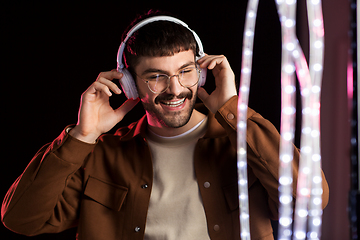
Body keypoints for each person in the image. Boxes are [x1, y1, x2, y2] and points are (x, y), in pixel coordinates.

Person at [1, 11, 329, 240]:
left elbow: (312, 200)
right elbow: (21, 220)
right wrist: (81, 136)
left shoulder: (239, 142)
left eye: (185, 71)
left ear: (201, 73)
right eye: (156, 77)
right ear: (130, 85)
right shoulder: (102, 155)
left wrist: (234, 113)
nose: (175, 88)